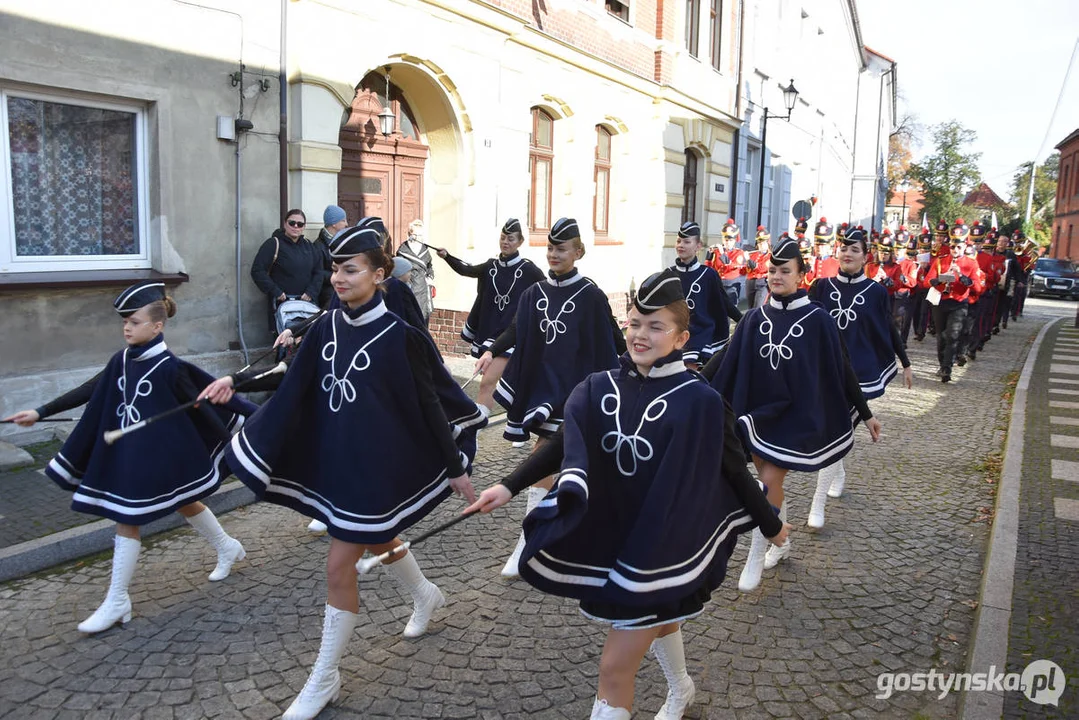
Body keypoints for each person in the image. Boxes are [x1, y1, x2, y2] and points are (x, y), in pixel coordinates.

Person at [465, 270, 790, 720]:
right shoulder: (601, 386)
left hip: (663, 546)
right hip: (615, 537)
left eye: (656, 326)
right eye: (635, 322)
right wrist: (508, 485)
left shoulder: (701, 400)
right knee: (661, 622)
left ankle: (673, 692)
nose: (641, 334)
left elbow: (734, 470)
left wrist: (772, 527)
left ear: (681, 338)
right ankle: (681, 689)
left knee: (614, 666)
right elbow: (565, 443)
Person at [224, 226, 485, 720]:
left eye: (351, 269)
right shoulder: (324, 326)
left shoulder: (401, 337)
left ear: (379, 274)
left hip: (379, 466)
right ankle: (425, 594)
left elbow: (431, 403)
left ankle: (324, 677)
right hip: (340, 461)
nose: (339, 278)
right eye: (335, 270)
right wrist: (233, 384)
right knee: (379, 538)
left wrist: (454, 469)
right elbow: (294, 381)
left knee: (338, 564)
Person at [3, 282, 254, 634]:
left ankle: (118, 599)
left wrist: (261, 420)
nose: (126, 328)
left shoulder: (171, 368)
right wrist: (40, 411)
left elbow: (215, 400)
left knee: (130, 516)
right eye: (124, 322)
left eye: (134, 322)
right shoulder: (120, 360)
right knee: (184, 503)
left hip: (163, 457)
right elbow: (90, 390)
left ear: (157, 326)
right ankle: (227, 547)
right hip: (131, 458)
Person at [710, 236, 881, 591]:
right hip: (757, 416)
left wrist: (865, 413)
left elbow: (842, 366)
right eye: (772, 270)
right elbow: (724, 357)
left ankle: (757, 553)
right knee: (767, 486)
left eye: (784, 271)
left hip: (794, 417)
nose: (776, 276)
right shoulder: (755, 317)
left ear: (801, 275)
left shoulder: (818, 319)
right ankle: (783, 543)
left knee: (769, 483)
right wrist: (687, 382)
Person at [476, 217, 625, 577]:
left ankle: (559, 534)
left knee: (577, 462)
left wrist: (633, 370)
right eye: (550, 248)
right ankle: (532, 538)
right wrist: (491, 350)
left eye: (561, 249)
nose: (554, 254)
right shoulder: (535, 293)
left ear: (578, 252)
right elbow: (516, 328)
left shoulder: (589, 294)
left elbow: (612, 338)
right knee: (545, 456)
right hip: (544, 390)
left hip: (579, 390)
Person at [807, 227, 911, 525]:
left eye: (855, 250)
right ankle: (838, 471)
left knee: (836, 428)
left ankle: (817, 505)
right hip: (825, 370)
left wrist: (905, 362)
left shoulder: (876, 291)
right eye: (844, 248)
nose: (848, 254)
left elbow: (887, 327)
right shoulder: (821, 287)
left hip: (860, 373)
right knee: (831, 429)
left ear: (866, 257)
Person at [435, 218, 545, 413]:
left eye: (511, 239)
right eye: (503, 238)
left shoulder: (528, 270)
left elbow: (546, 290)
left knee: (487, 382)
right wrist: (447, 256)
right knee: (507, 385)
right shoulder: (491, 266)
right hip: (490, 330)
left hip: (512, 335)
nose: (506, 242)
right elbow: (466, 270)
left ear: (520, 242)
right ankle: (517, 423)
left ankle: (476, 431)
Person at [670, 220, 742, 369]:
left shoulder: (708, 274)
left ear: (698, 246)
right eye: (678, 241)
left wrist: (744, 320)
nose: (680, 245)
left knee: (692, 375)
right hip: (675, 334)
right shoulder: (669, 274)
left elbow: (724, 303)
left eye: (686, 242)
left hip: (701, 334)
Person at [924, 219, 983, 383]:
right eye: (952, 247)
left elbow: (977, 287)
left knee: (953, 335)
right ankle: (942, 363)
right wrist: (939, 279)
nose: (955, 250)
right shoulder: (940, 261)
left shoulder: (971, 263)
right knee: (941, 336)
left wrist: (963, 277)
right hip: (941, 302)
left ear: (964, 247)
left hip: (959, 303)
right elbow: (927, 281)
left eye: (958, 247)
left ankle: (947, 368)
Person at [250, 209, 324, 339]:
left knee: (308, 340)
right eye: (292, 223)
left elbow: (318, 272)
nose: (296, 226)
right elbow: (257, 271)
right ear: (285, 224)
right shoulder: (273, 244)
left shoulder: (309, 247)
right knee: (284, 342)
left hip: (306, 304)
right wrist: (276, 292)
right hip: (282, 304)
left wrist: (311, 292)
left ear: (304, 227)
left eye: (300, 224)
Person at [396, 218, 436, 325]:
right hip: (409, 288)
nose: (420, 238)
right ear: (411, 234)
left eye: (422, 235)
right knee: (409, 320)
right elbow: (399, 271)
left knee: (423, 321)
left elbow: (429, 267)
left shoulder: (425, 250)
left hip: (423, 290)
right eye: (418, 235)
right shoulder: (403, 251)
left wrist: (430, 277)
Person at [706, 219, 747, 306]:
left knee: (728, 314)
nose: (727, 242)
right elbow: (710, 269)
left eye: (730, 240)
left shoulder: (739, 253)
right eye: (725, 240)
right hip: (718, 285)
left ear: (735, 240)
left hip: (731, 286)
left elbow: (728, 265)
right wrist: (708, 257)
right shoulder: (717, 252)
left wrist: (721, 252)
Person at [314, 205, 349, 308]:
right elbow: (318, 273)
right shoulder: (319, 246)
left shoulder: (341, 241)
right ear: (334, 223)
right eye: (343, 220)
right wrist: (339, 276)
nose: (346, 224)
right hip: (328, 295)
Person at [745, 226, 771, 308]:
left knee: (758, 307)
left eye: (763, 243)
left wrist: (748, 260)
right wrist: (747, 261)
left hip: (762, 283)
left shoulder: (770, 256)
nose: (761, 245)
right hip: (750, 282)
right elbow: (748, 270)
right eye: (759, 243)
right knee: (750, 308)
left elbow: (761, 268)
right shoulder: (753, 255)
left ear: (767, 243)